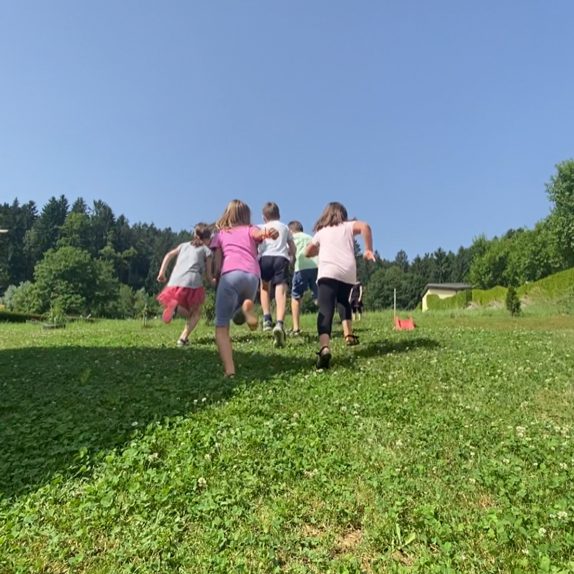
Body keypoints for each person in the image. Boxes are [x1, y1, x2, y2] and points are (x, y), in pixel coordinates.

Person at [211, 199, 278, 377]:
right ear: (246, 215)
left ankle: (230, 370)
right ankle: (246, 306)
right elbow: (259, 234)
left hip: (230, 275)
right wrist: (268, 232)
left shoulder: (221, 234)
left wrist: (216, 277)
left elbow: (218, 263)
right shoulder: (250, 229)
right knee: (238, 315)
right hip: (252, 277)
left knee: (221, 326)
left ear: (227, 214)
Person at [305, 202, 375, 369]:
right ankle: (348, 335)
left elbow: (307, 252)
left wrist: (319, 249)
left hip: (328, 272)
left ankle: (324, 348)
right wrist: (368, 249)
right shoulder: (349, 226)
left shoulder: (321, 232)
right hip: (347, 273)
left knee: (326, 309)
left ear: (326, 215)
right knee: (343, 301)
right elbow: (365, 226)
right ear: (343, 215)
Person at [156, 223, 215, 347]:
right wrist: (215, 281)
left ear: (195, 235)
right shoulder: (207, 250)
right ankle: (183, 338)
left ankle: (175, 308)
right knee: (196, 313)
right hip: (192, 282)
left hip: (175, 281)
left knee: (189, 313)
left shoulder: (183, 245)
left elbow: (168, 255)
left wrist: (162, 272)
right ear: (208, 239)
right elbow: (209, 276)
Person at [258, 202, 296, 348]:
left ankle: (267, 318)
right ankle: (279, 322)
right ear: (279, 215)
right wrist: (292, 258)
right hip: (281, 258)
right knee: (281, 290)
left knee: (264, 287)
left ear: (264, 217)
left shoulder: (261, 227)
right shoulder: (285, 227)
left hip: (265, 257)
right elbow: (292, 247)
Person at [288, 220, 318, 335]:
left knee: (296, 296)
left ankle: (296, 328)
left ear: (290, 231)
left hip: (301, 268)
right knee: (319, 296)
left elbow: (290, 253)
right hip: (316, 266)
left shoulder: (292, 238)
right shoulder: (310, 237)